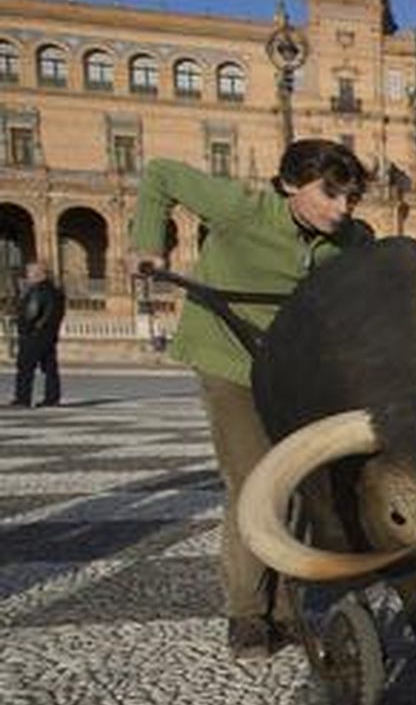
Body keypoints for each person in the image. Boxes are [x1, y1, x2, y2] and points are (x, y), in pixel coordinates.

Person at [129, 139, 371, 660]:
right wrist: (148, 243)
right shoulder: (242, 209)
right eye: (330, 194)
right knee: (255, 483)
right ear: (289, 185)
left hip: (293, 368)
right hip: (229, 360)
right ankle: (246, 612)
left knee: (305, 483)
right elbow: (162, 171)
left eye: (350, 198)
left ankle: (286, 605)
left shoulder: (350, 240)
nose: (341, 209)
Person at [10, 262, 66, 408]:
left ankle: (23, 398)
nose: (27, 277)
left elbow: (31, 313)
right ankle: (52, 398)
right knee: (50, 369)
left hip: (34, 335)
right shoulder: (56, 292)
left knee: (25, 368)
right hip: (49, 335)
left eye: (29, 274)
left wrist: (23, 327)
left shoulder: (37, 291)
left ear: (38, 275)